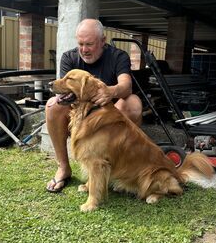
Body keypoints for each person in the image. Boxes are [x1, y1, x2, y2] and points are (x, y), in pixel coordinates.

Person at [46, 18, 143, 192]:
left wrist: (111, 91)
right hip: (83, 116)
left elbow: (126, 86)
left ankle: (116, 167)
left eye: (89, 44)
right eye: (80, 44)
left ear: (103, 41)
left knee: (133, 103)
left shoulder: (118, 56)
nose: (84, 49)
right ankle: (63, 168)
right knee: (53, 106)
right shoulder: (69, 57)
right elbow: (65, 91)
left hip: (111, 117)